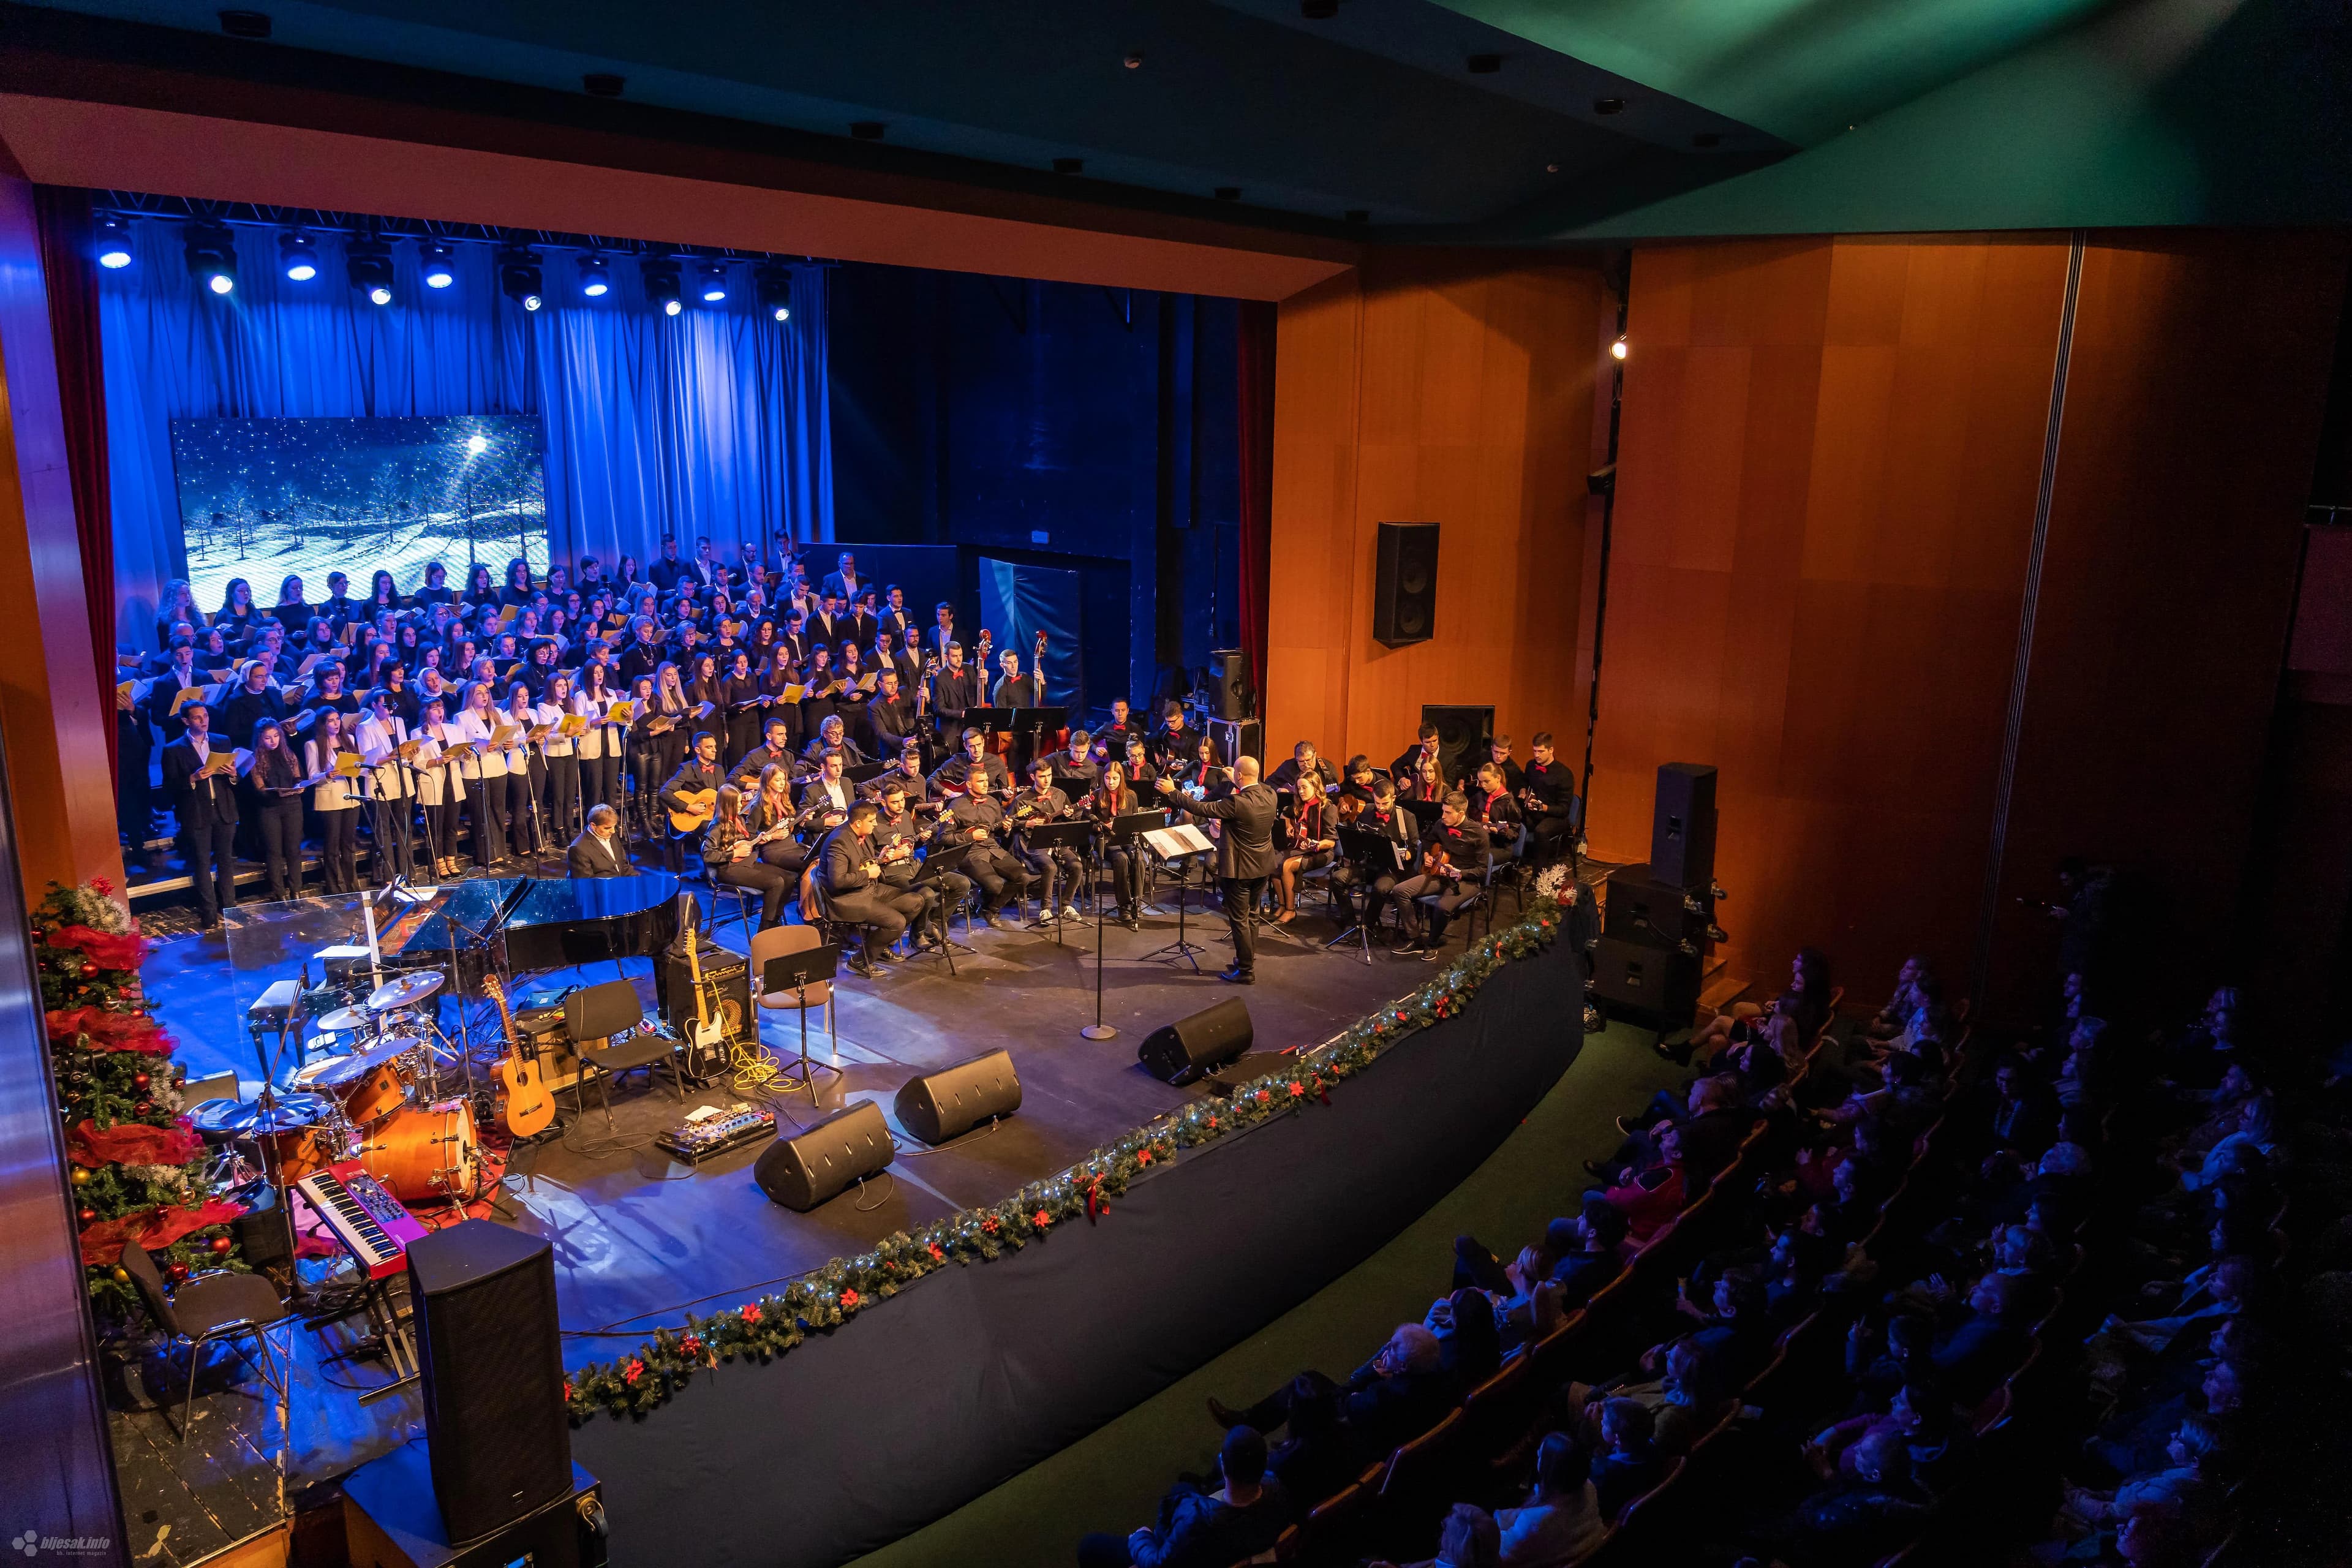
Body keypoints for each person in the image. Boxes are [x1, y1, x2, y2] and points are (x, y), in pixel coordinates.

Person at [1158, 753, 1280, 986]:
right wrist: (1237, 779)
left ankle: (1246, 970)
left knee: (1240, 920)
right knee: (1252, 916)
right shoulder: (1269, 793)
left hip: (1241, 869)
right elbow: (1251, 783)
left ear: (1240, 776)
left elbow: (1200, 808)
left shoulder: (1237, 803)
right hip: (1263, 866)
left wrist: (1172, 793)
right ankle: (1247, 959)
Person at [162, 703, 240, 927]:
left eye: (205, 716)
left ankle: (230, 907)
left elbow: (234, 779)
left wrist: (234, 774)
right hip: (196, 812)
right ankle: (209, 912)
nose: (203, 721)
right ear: (186, 721)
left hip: (223, 808)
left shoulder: (221, 741)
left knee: (226, 860)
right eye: (197, 718)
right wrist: (192, 779)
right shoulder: (173, 749)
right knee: (202, 863)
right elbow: (169, 786)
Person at [820, 801, 919, 976]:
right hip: (848, 898)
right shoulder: (839, 842)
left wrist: (881, 859)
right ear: (858, 823)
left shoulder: (860, 835)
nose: (875, 824)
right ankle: (859, 961)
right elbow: (837, 881)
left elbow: (863, 862)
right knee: (897, 922)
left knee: (916, 901)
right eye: (872, 821)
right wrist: (868, 874)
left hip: (868, 888)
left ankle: (878, 946)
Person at [1389, 792, 1488, 957]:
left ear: (1461, 814)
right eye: (1443, 811)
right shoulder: (1440, 824)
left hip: (1466, 881)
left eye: (1448, 813)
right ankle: (1416, 939)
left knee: (1443, 907)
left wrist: (1460, 873)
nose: (1443, 816)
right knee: (1400, 890)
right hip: (1439, 874)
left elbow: (1483, 870)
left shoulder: (1479, 835)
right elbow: (1428, 841)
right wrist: (1427, 855)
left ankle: (1432, 944)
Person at [1494, 1431, 1607, 1566]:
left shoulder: (1535, 1520)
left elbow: (1501, 1552)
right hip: (1593, 1547)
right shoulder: (1588, 1487)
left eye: (1541, 1454)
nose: (1537, 1454)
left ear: (1551, 1469)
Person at [945, 767, 1031, 925]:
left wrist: (1005, 828)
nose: (986, 784)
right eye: (981, 781)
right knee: (996, 884)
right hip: (970, 854)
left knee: (1023, 877)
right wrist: (971, 836)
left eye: (986, 780)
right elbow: (943, 838)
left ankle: (989, 908)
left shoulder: (992, 802)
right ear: (969, 785)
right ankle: (985, 906)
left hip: (993, 848)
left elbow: (997, 830)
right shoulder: (956, 807)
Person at [703, 785, 792, 929]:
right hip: (728, 869)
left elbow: (745, 843)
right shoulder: (717, 826)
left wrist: (760, 840)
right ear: (727, 804)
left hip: (747, 863)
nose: (741, 805)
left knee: (789, 878)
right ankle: (765, 928)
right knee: (776, 882)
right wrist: (735, 853)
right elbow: (708, 855)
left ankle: (776, 917)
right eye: (737, 803)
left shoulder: (739, 820)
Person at [247, 718, 307, 901]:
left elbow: (298, 776)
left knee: (293, 849)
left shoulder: (289, 754)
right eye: (268, 738)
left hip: (293, 806)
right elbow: (259, 789)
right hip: (270, 809)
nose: (273, 741)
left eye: (276, 736)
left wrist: (299, 786)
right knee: (274, 851)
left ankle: (296, 890)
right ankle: (279, 893)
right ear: (260, 739)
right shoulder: (255, 759)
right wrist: (275, 793)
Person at [568, 802, 631, 876]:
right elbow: (586, 883)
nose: (613, 831)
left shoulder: (610, 834)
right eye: (607, 828)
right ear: (593, 826)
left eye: (614, 827)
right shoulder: (578, 849)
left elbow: (623, 865)